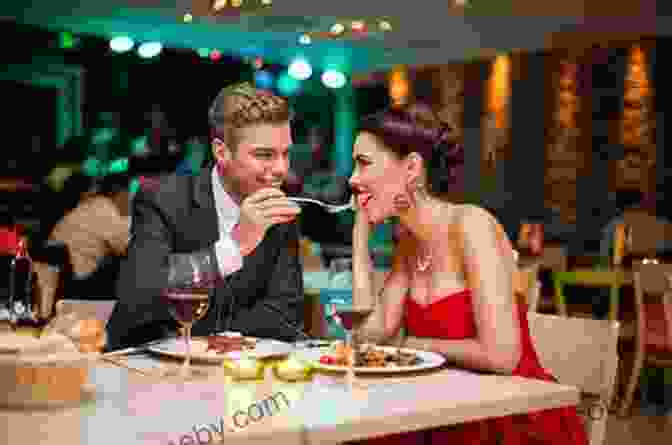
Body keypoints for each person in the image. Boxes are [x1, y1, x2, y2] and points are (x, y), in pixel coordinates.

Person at [348, 103, 588, 445]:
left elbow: (503, 357)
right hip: (443, 410)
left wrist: (408, 345)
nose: (352, 179)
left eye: (363, 163)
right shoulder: (409, 243)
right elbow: (368, 335)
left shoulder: (472, 226)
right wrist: (359, 245)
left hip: (507, 418)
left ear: (412, 168)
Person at [105, 82, 303, 351]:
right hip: (146, 371)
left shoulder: (279, 214)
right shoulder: (162, 199)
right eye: (264, 155)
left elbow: (284, 318)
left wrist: (205, 336)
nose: (281, 168)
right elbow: (141, 296)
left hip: (236, 374)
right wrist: (234, 247)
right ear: (221, 152)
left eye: (285, 153)